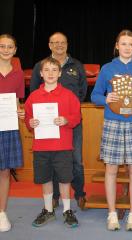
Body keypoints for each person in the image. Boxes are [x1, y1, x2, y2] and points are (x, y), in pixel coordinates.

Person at [91, 29, 132, 231]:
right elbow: (95, 95)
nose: (127, 48)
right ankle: (112, 213)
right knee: (111, 169)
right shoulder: (108, 68)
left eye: (131, 44)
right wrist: (105, 99)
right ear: (117, 45)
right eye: (123, 44)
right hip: (113, 122)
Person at [30, 32, 87, 210]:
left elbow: (82, 92)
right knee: (51, 160)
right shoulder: (41, 65)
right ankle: (54, 197)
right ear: (49, 45)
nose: (59, 45)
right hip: (46, 126)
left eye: (62, 42)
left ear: (67, 44)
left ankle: (79, 194)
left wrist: (68, 117)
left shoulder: (76, 65)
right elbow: (33, 93)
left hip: (70, 124)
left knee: (75, 160)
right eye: (55, 42)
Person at [25, 57, 81, 228]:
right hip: (41, 146)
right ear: (41, 74)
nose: (50, 73)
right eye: (46, 70)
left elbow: (77, 117)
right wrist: (30, 123)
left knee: (65, 179)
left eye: (54, 70)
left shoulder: (69, 96)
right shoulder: (33, 96)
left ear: (60, 73)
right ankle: (48, 210)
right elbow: (28, 119)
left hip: (62, 146)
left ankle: (67, 210)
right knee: (45, 179)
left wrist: (66, 120)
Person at [0, 34, 24, 232]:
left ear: (15, 50)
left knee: (5, 172)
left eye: (10, 47)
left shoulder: (18, 75)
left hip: (8, 127)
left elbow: (17, 103)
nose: (6, 50)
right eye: (2, 46)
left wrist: (20, 112)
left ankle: (2, 213)